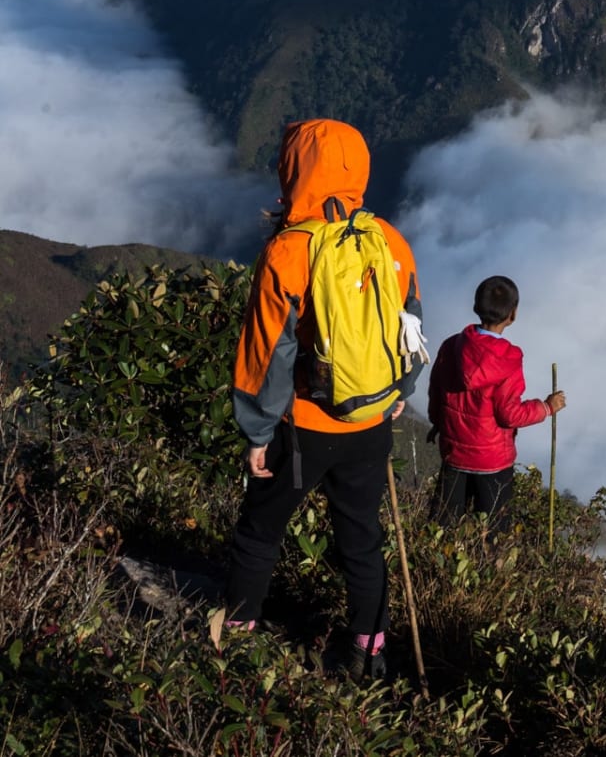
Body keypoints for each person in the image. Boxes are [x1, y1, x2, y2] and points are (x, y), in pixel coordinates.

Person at [216, 119, 427, 677]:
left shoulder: (290, 251)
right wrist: (398, 393)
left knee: (261, 530)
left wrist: (258, 433)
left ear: (293, 169)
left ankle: (236, 639)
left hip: (303, 426)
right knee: (362, 536)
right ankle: (368, 651)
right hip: (372, 422)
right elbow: (412, 325)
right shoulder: (389, 240)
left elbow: (267, 355)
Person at [426, 275, 566, 528]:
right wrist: (546, 407)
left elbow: (436, 390)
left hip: (454, 453)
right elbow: (509, 415)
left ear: (476, 307)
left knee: (443, 527)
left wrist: (438, 422)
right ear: (512, 314)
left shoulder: (451, 346)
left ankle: (432, 567)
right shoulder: (508, 359)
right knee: (494, 532)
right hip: (493, 462)